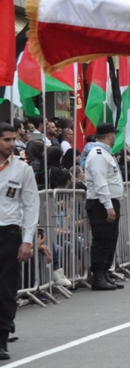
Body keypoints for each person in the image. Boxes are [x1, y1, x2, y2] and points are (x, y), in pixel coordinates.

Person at [0, 123, 39, 361]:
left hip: (9, 233)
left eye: (13, 139)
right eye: (6, 140)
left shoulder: (22, 169)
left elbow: (31, 205)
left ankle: (2, 337)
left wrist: (27, 241)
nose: (12, 144)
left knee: (6, 287)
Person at [84, 123, 125, 291]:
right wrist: (108, 205)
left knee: (110, 238)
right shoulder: (98, 154)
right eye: (114, 134)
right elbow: (100, 182)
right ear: (110, 135)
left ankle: (105, 271)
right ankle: (98, 275)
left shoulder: (105, 153)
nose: (115, 137)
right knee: (102, 239)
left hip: (108, 201)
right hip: (100, 203)